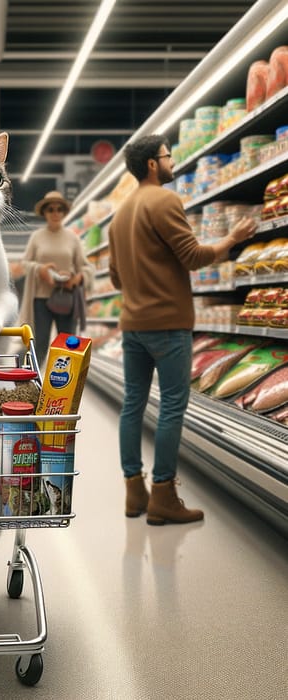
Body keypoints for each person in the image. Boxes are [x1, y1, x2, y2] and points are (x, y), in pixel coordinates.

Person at [108, 134, 257, 525]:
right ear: (153, 165)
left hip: (133, 324)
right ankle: (163, 495)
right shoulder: (165, 200)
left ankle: (134, 492)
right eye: (168, 156)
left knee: (132, 404)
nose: (173, 161)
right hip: (168, 323)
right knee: (173, 405)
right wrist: (232, 238)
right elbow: (193, 257)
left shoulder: (120, 215)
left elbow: (117, 278)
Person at [18, 190, 93, 366]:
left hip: (67, 298)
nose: (55, 213)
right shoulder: (37, 237)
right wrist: (41, 269)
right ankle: (28, 383)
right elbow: (25, 263)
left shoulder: (72, 238)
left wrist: (77, 278)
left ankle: (65, 386)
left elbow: (86, 266)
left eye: (59, 209)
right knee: (39, 345)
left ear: (64, 212)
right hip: (41, 299)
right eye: (50, 209)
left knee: (68, 346)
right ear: (44, 212)